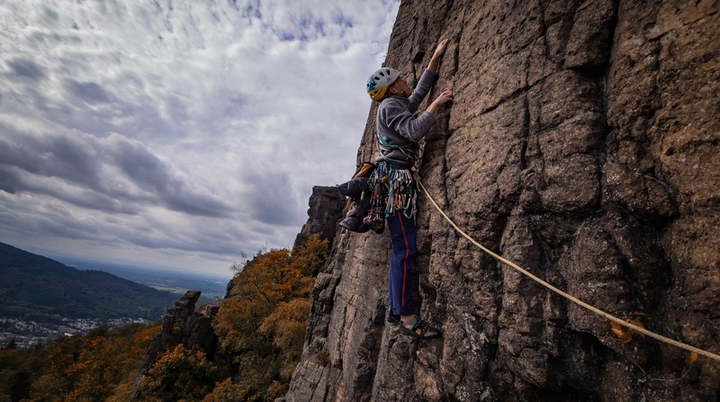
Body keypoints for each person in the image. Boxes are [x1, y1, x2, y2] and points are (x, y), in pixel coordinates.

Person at [365, 39, 454, 339]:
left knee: (400, 250)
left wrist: (435, 60)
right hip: (395, 185)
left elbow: (415, 98)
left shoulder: (394, 103)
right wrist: (438, 104)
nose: (406, 80)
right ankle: (407, 319)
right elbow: (415, 129)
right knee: (405, 250)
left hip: (394, 181)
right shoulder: (390, 106)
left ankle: (395, 309)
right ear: (391, 88)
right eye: (400, 79)